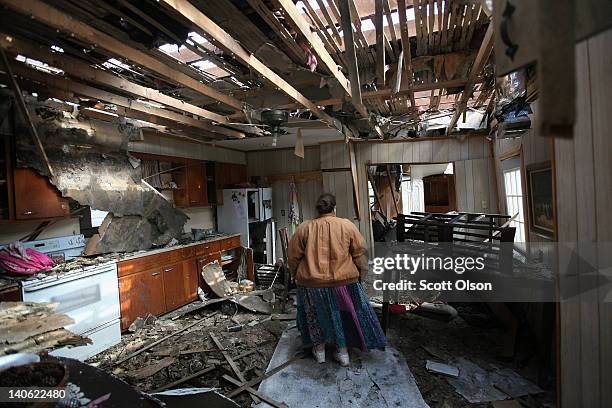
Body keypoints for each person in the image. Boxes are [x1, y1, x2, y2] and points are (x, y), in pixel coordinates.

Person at [288, 193, 386, 366]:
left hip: (311, 285)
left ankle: (319, 352)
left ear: (317, 210)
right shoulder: (347, 225)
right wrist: (361, 276)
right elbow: (360, 254)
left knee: (316, 317)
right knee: (342, 317)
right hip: (344, 283)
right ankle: (343, 353)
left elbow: (293, 257)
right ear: (334, 209)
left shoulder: (304, 228)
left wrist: (296, 275)